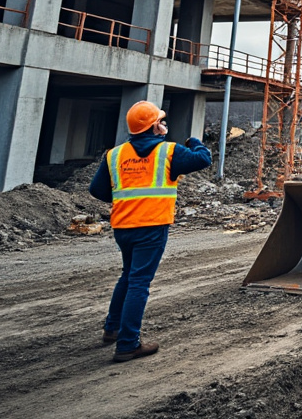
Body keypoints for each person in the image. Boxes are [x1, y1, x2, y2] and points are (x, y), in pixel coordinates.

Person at [90, 100, 211, 362]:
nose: (164, 124)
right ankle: (127, 344)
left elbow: (97, 190)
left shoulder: (115, 154)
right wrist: (195, 142)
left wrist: (126, 200)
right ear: (154, 125)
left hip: (123, 226)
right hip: (152, 226)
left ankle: (112, 328)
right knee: (139, 282)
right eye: (161, 120)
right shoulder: (169, 151)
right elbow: (203, 159)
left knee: (128, 276)